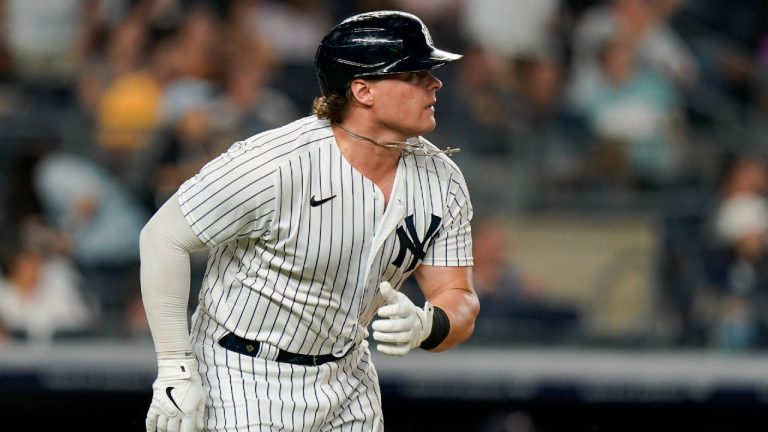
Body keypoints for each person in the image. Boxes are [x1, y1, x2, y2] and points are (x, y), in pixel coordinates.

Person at [140, 10, 479, 432]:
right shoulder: (275, 163)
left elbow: (457, 294)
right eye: (413, 74)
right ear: (363, 90)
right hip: (245, 375)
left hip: (349, 378)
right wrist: (175, 367)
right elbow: (163, 236)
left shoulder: (442, 179)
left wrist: (430, 324)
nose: (435, 83)